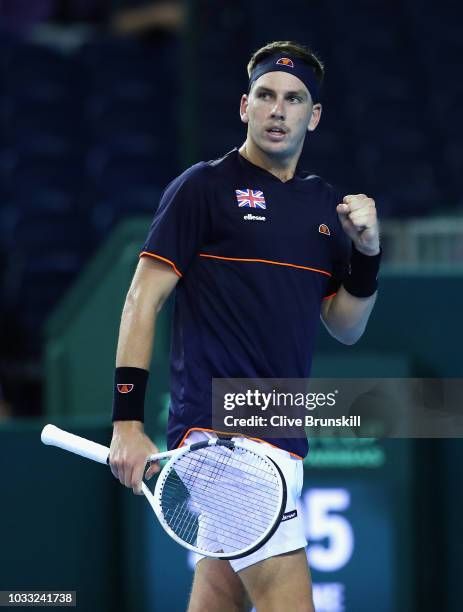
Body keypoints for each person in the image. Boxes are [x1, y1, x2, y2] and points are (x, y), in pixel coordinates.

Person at [109, 40, 380, 612]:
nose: (278, 110)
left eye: (293, 98)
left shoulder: (325, 208)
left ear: (315, 115)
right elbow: (141, 299)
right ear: (244, 106)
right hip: (226, 440)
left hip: (281, 437)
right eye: (265, 96)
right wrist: (127, 421)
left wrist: (368, 256)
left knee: (218, 602)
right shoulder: (201, 189)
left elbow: (346, 326)